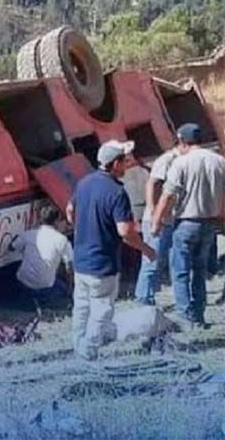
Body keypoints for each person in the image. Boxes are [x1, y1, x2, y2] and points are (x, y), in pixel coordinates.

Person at [66, 140, 156, 361]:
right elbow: (125, 231)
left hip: (81, 260)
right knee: (102, 309)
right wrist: (146, 249)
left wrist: (82, 228)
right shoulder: (117, 192)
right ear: (114, 163)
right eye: (124, 162)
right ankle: (89, 351)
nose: (126, 166)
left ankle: (78, 344)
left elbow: (70, 209)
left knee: (82, 306)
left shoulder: (84, 182)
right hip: (102, 263)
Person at [152, 123, 225, 329]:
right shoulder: (219, 161)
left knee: (181, 271)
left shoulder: (181, 163)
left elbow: (168, 195)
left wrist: (156, 220)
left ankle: (185, 317)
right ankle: (199, 316)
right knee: (200, 271)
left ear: (182, 141)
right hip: (210, 224)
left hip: (186, 223)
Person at [134, 142, 180, 305]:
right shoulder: (166, 160)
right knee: (152, 260)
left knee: (166, 260)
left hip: (169, 218)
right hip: (158, 219)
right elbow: (152, 184)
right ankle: (143, 298)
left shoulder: (178, 160)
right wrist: (153, 212)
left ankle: (148, 296)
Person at [10, 205, 73, 300]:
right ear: (56, 222)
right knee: (63, 286)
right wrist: (70, 290)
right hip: (46, 289)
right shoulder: (62, 240)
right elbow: (70, 268)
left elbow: (12, 247)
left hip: (23, 285)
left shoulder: (28, 234)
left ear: (40, 219)